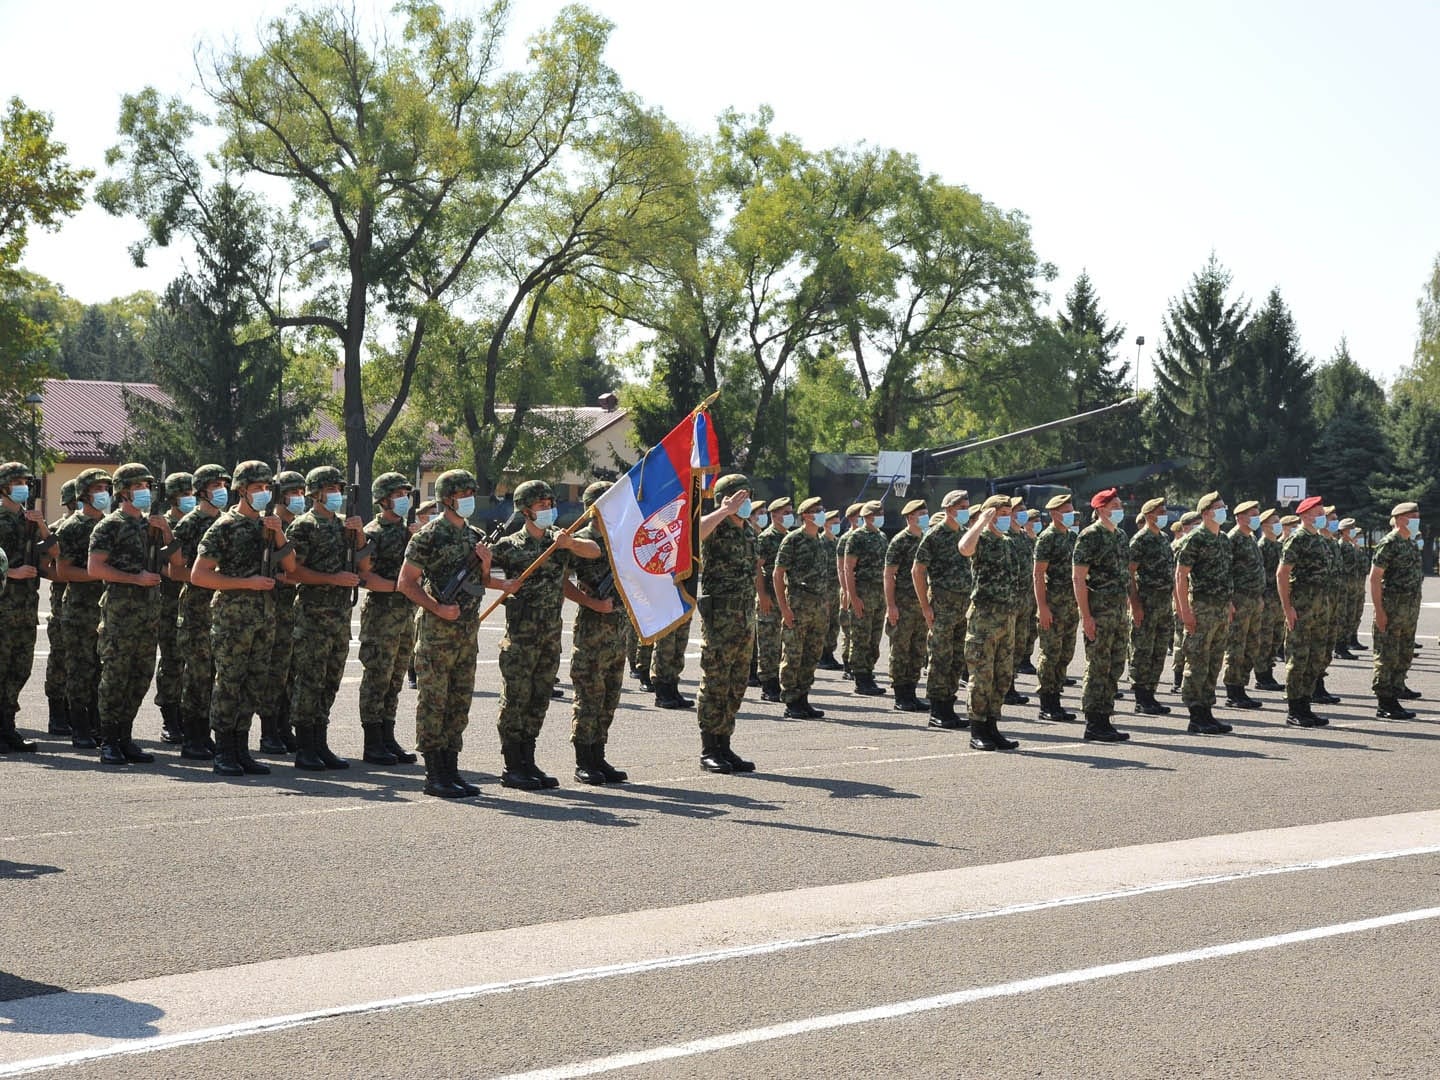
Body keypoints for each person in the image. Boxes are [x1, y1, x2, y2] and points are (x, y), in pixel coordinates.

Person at [489, 479, 602, 789]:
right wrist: (501, 585)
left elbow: (593, 551)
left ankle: (529, 760)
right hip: (521, 639)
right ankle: (513, 766)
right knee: (516, 701)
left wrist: (570, 544)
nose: (549, 510)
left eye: (551, 504)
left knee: (539, 700)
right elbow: (480, 573)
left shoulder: (558, 542)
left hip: (550, 638)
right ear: (526, 510)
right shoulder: (510, 546)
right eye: (542, 506)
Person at [190, 461, 295, 776]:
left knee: (254, 683)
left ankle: (241, 748)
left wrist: (277, 534)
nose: (263, 494)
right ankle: (224, 750)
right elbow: (199, 575)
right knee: (230, 683)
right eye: (257, 488)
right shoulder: (224, 526)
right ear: (241, 490)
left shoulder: (269, 526)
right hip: (233, 618)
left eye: (267, 488)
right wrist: (245, 583)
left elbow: (290, 566)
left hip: (264, 617)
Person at [397, 469, 495, 797]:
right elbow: (406, 583)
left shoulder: (475, 535)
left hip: (466, 634)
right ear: (447, 498)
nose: (468, 498)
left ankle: (452, 769)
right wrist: (436, 607)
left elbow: (482, 584)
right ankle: (434, 774)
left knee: (459, 701)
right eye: (462, 493)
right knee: (434, 702)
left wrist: (484, 564)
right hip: (437, 634)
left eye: (471, 492)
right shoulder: (427, 536)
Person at [86, 464, 172, 764]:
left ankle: (125, 736)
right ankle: (109, 740)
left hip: (148, 614)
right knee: (115, 677)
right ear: (123, 491)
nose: (144, 491)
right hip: (121, 614)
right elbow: (95, 567)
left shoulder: (152, 525)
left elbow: (174, 563)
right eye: (138, 486)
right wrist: (135, 579)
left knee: (140, 677)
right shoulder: (110, 524)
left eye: (147, 486)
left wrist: (167, 532)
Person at [286, 465, 364, 771]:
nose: (337, 495)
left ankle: (320, 742)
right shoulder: (303, 526)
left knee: (330, 681)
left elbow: (362, 562)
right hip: (313, 617)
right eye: (331, 489)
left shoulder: (345, 525)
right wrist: (331, 579)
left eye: (338, 489)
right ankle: (305, 746)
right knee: (309, 681)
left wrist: (357, 535)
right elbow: (293, 572)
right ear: (316, 494)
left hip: (339, 617)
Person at [694, 474, 761, 773]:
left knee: (736, 683)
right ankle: (709, 749)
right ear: (726, 498)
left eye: (747, 498)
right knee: (715, 682)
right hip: (720, 617)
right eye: (739, 498)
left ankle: (725, 744)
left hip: (745, 617)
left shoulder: (749, 531)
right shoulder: (716, 525)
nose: (745, 504)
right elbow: (692, 536)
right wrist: (723, 511)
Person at [567, 481, 631, 784]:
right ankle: (584, 760)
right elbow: (561, 581)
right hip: (593, 630)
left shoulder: (623, 537)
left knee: (609, 697)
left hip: (618, 631)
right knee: (589, 697)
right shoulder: (581, 538)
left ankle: (599, 755)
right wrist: (591, 601)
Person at [356, 472, 420, 766]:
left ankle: (388, 735)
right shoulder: (373, 532)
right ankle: (372, 742)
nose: (404, 499)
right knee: (377, 678)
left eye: (406, 494)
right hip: (382, 615)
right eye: (398, 494)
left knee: (395, 678)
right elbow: (364, 575)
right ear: (383, 500)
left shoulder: (409, 531)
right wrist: (398, 586)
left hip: (405, 614)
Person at [172, 463, 231, 760]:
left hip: (219, 609)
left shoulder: (226, 521)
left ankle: (206, 733)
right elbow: (174, 569)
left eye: (223, 484)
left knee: (214, 674)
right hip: (196, 608)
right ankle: (192, 736)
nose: (221, 490)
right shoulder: (189, 524)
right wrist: (204, 575)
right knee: (197, 675)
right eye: (215, 485)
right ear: (201, 491)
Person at [53, 468, 114, 751]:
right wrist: (101, 573)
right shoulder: (72, 527)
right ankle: (79, 728)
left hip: (106, 611)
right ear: (84, 494)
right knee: (80, 670)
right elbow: (63, 571)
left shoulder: (112, 524)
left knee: (102, 670)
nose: (103, 493)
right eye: (97, 488)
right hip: (79, 610)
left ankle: (97, 725)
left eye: (106, 487)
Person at [958, 494, 1020, 750]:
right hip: (984, 619)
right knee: (981, 676)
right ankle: (977, 729)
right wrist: (981, 522)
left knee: (1002, 676)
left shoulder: (1007, 542)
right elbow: (964, 548)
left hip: (1006, 618)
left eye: (1008, 513)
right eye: (1001, 513)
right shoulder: (980, 538)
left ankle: (992, 726)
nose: (1006, 518)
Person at [1071, 489, 1131, 742]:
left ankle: (1105, 717)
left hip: (1117, 611)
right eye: (1114, 505)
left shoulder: (1120, 535)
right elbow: (1078, 577)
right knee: (1098, 666)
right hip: (1099, 610)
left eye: (1119, 504)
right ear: (1100, 509)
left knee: (1115, 664)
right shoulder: (1089, 536)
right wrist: (1086, 616)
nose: (1119, 508)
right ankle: (1093, 722)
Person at [0, 462, 53, 752]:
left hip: (26, 608)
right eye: (16, 481)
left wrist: (42, 524)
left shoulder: (29, 519)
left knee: (19, 669)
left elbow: (53, 551)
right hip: (3, 605)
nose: (22, 486)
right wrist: (11, 573)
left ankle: (8, 727)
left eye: (25, 481)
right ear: (4, 486)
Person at [1174, 492, 1234, 735]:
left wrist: (1228, 602)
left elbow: (1225, 574)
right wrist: (1185, 612)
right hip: (1201, 607)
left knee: (1214, 661)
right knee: (1197, 660)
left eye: (1223, 506)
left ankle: (1207, 710)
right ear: (1207, 512)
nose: (1223, 511)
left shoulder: (1222, 539)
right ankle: (1196, 714)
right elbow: (1181, 576)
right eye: (1219, 507)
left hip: (1219, 609)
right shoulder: (1196, 538)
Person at [914, 490, 972, 730]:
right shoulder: (935, 535)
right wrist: (925, 607)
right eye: (962, 506)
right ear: (949, 509)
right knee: (940, 657)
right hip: (942, 605)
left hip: (962, 606)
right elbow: (917, 571)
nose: (966, 510)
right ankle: (938, 709)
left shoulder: (965, 535)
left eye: (967, 506)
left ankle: (949, 705)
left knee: (957, 658)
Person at [257, 471, 306, 753]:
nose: (298, 497)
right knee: (272, 672)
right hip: (269, 606)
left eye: (301, 492)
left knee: (289, 671)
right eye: (293, 492)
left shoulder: (299, 526)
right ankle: (268, 731)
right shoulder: (267, 525)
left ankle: (284, 726)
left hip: (292, 608)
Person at [1277, 495, 1333, 727]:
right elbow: (1282, 574)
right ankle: (1294, 709)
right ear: (1305, 515)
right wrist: (1287, 608)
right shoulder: (1297, 540)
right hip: (1301, 608)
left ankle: (1306, 705)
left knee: (1315, 657)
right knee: (1298, 658)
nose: (1323, 517)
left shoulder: (1319, 540)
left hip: (1319, 609)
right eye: (1319, 514)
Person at [775, 497, 832, 720]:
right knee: (793, 654)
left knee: (812, 654)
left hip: (817, 607)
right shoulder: (793, 540)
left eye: (822, 509)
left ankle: (803, 698)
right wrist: (784, 608)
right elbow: (778, 574)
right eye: (817, 511)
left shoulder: (819, 540)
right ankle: (791, 701)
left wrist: (825, 602)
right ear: (806, 515)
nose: (821, 513)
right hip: (798, 605)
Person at [1370, 502, 1423, 719]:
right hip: (1391, 608)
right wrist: (1379, 610)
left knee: (1404, 653)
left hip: (1408, 610)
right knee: (1387, 655)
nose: (1417, 519)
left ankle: (1397, 690)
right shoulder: (1389, 542)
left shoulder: (1410, 543)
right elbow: (1375, 578)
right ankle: (1385, 702)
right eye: (1414, 516)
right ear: (1401, 518)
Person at [153, 473, 193, 744]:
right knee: (172, 662)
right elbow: (159, 565)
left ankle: (189, 717)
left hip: (195, 603)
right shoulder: (160, 525)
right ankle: (170, 717)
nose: (190, 496)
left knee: (196, 664)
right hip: (168, 603)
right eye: (185, 492)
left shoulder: (198, 522)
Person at [1034, 492, 1080, 722]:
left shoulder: (1072, 537)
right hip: (1053, 605)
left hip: (1070, 606)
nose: (1071, 515)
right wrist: (1042, 607)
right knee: (1050, 654)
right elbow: (1038, 574)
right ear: (1054, 514)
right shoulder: (1047, 538)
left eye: (1072, 510)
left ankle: (1057, 696)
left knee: (1065, 653)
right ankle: (1047, 702)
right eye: (1067, 511)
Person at [1126, 496, 1173, 716]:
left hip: (1164, 604)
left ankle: (1151, 693)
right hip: (1146, 602)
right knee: (1142, 650)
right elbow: (1130, 573)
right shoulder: (1140, 540)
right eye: (1159, 511)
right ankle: (1141, 697)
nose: (1164, 514)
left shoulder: (1163, 538)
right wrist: (1135, 605)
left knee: (1159, 650)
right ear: (1148, 515)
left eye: (1164, 510)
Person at [884, 499, 931, 713]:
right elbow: (889, 574)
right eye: (921, 513)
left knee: (917, 649)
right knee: (900, 649)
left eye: (926, 512)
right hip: (903, 603)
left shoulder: (927, 539)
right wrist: (891, 605)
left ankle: (911, 691)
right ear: (910, 517)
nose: (925, 516)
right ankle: (901, 694)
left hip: (921, 604)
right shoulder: (900, 541)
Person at [841, 499, 889, 697]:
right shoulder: (856, 537)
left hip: (879, 594)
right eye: (877, 514)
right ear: (868, 517)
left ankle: (869, 672)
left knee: (874, 637)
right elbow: (848, 568)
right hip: (863, 592)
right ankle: (861, 678)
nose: (880, 517)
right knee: (860, 636)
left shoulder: (882, 536)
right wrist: (853, 596)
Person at [1222, 500, 1266, 709]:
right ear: (1240, 517)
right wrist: (1229, 601)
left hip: (1253, 600)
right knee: (1236, 646)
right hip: (1239, 600)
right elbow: (1226, 570)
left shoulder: (1250, 539)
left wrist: (1260, 598)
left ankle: (1242, 687)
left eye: (1257, 514)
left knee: (1251, 645)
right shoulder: (1234, 539)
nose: (1257, 517)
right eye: (1252, 514)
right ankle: (1233, 690)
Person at [754, 496, 792, 702]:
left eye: (790, 512)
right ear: (774, 515)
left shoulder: (790, 536)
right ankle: (768, 685)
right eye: (785, 513)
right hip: (769, 595)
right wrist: (762, 595)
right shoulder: (766, 538)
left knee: (783, 641)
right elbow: (757, 567)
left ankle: (779, 681)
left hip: (785, 597)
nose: (789, 516)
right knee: (769, 641)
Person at [1005, 498, 1035, 705]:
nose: (1023, 514)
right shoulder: (1004, 537)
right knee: (1007, 646)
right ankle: (1005, 687)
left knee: (1019, 645)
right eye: (1019, 510)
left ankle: (1011, 684)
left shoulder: (1024, 537)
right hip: (1009, 601)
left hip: (1025, 600)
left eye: (1025, 510)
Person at [1253, 509, 1286, 692]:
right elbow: (1259, 574)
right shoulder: (1262, 546)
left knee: (1275, 638)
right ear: (1265, 525)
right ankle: (1262, 675)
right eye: (1274, 521)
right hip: (1267, 599)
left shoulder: (1279, 546)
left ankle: (1269, 672)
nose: (1278, 524)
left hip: (1278, 599)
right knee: (1264, 638)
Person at [834, 502, 863, 676]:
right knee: (849, 628)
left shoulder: (865, 536)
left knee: (859, 630)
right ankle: (848, 664)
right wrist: (846, 591)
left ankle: (859, 663)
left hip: (863, 590)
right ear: (853, 518)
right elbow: (841, 567)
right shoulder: (846, 539)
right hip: (848, 589)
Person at [1336, 518, 1369, 659]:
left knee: (1352, 617)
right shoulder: (1341, 546)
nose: (1354, 531)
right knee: (1342, 618)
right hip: (1344, 588)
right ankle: (1340, 647)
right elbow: (1341, 566)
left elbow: (1365, 566)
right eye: (1351, 528)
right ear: (1344, 531)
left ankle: (1348, 642)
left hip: (1355, 587)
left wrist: (1358, 550)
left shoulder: (1353, 546)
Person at [649, 617, 694, 709]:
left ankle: (673, 690)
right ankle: (662, 693)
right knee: (665, 648)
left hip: (684, 606)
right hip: (666, 609)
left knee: (679, 647)